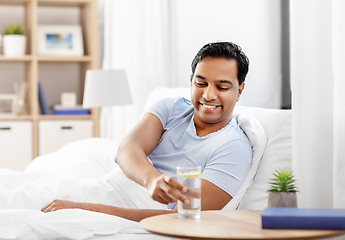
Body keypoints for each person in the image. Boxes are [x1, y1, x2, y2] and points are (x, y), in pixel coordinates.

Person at [41, 42, 252, 222]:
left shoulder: (233, 148)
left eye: (222, 87)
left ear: (239, 90)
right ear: (191, 81)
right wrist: (152, 179)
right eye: (201, 83)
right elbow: (126, 150)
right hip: (111, 188)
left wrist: (88, 209)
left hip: (135, 213)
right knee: (27, 197)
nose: (208, 95)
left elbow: (182, 219)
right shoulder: (171, 108)